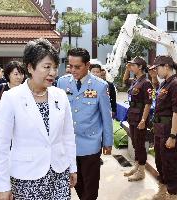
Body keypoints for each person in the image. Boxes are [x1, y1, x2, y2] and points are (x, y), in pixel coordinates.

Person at [0, 38, 77, 200]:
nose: (53, 72)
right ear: (30, 67)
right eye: (47, 67)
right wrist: (3, 186)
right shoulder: (12, 98)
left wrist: (72, 167)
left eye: (55, 67)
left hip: (59, 173)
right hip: (26, 177)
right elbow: (2, 145)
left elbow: (68, 136)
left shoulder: (60, 95)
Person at [57, 48, 113, 200]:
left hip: (90, 144)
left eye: (77, 66)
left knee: (91, 186)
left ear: (87, 65)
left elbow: (106, 116)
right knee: (77, 183)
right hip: (68, 144)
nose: (73, 70)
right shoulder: (62, 83)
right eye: (70, 66)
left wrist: (107, 142)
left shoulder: (100, 86)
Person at [150, 56, 177, 200]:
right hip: (159, 129)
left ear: (167, 67)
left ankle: (172, 194)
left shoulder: (176, 84)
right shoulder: (165, 84)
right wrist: (153, 78)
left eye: (157, 68)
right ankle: (162, 191)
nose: (156, 71)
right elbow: (158, 95)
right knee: (160, 162)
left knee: (169, 164)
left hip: (168, 130)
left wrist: (173, 136)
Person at [0, 61, 25, 170]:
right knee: (1, 155)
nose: (19, 77)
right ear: (8, 74)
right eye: (16, 74)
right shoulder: (1, 88)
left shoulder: (26, 90)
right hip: (3, 129)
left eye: (21, 74)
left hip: (20, 131)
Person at [122, 57, 153, 181]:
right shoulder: (136, 81)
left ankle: (141, 171)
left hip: (140, 116)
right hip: (132, 115)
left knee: (140, 144)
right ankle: (136, 166)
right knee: (135, 142)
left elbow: (148, 103)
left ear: (140, 67)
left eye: (133, 65)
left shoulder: (146, 82)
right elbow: (124, 81)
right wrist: (127, 69)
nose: (131, 67)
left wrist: (143, 120)